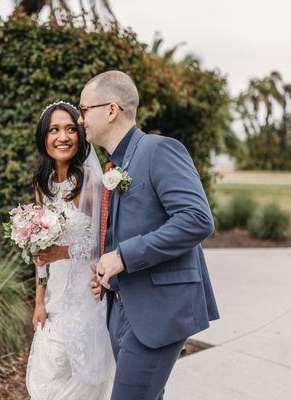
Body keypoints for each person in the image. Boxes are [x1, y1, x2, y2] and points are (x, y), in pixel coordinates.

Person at [80, 71, 220, 400]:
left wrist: (123, 257)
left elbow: (197, 219)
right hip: (122, 309)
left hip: (158, 312)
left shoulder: (160, 151)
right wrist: (107, 272)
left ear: (110, 110)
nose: (80, 118)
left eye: (84, 109)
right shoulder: (112, 166)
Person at [25, 101, 114, 400]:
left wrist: (59, 253)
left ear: (80, 135)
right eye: (54, 130)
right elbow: (39, 249)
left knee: (76, 380)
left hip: (84, 295)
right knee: (45, 376)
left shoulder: (91, 184)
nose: (62, 137)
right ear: (44, 137)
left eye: (69, 129)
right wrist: (39, 302)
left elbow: (100, 246)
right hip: (54, 297)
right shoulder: (43, 184)